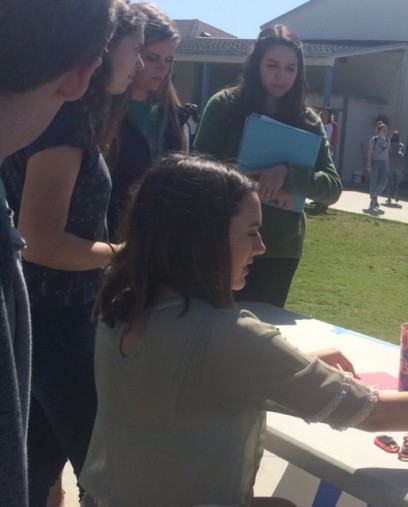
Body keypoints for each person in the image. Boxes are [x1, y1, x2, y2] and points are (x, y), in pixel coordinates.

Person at [79, 153, 408, 506]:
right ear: (199, 242)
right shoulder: (228, 337)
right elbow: (371, 411)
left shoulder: (119, 306)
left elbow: (184, 394)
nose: (260, 249)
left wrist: (285, 370)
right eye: (251, 233)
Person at [0, 2, 143, 504]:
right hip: (56, 320)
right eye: (134, 52)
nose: (140, 65)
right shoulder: (62, 129)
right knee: (103, 467)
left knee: (33, 464)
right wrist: (122, 254)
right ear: (95, 60)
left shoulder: (60, 120)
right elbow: (40, 239)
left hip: (44, 319)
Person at [193, 25, 342, 308]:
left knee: (264, 331)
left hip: (281, 248)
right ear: (256, 64)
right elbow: (198, 171)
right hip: (226, 241)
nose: (280, 75)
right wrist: (254, 185)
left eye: (290, 68)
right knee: (218, 327)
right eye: (272, 65)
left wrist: (289, 174)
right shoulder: (225, 105)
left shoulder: (309, 121)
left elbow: (332, 188)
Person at [106, 2, 188, 240]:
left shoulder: (171, 114)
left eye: (168, 59)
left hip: (156, 237)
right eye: (152, 57)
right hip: (110, 237)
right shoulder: (104, 112)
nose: (161, 68)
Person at [366, 120, 390, 210]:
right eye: (383, 130)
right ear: (379, 131)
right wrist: (369, 162)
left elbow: (387, 153)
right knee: (373, 182)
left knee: (384, 182)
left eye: (386, 130)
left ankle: (375, 195)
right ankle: (372, 200)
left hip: (383, 162)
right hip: (375, 161)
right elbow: (370, 151)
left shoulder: (387, 140)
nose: (385, 132)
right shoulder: (374, 139)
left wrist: (388, 163)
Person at [386, 130, 405, 204]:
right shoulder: (401, 146)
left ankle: (389, 197)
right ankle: (396, 193)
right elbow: (402, 156)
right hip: (398, 166)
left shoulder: (389, 145)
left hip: (390, 165)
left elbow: (387, 155)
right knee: (396, 182)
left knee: (389, 182)